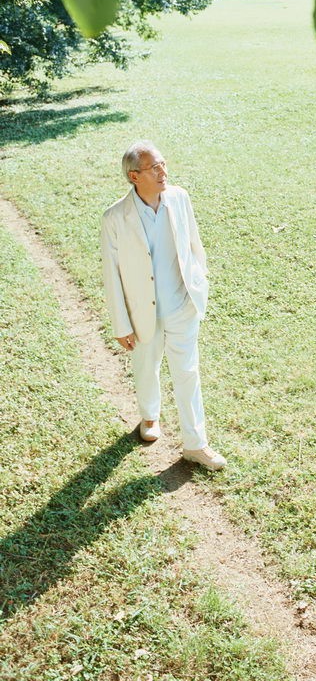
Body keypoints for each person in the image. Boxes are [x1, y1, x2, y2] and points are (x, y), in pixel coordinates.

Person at [100, 140, 226, 471]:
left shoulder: (180, 198)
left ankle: (196, 444)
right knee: (146, 367)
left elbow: (194, 244)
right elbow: (112, 276)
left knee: (187, 372)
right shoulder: (114, 218)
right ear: (133, 176)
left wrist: (201, 280)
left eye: (164, 164)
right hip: (142, 311)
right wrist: (121, 325)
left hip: (182, 304)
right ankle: (149, 416)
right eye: (154, 168)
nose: (163, 172)